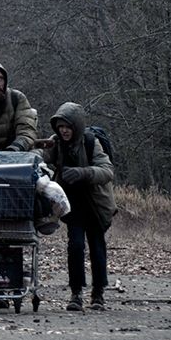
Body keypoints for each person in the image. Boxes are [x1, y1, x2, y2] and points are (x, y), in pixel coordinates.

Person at [39, 102, 115, 311]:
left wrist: (83, 173)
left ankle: (98, 293)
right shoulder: (56, 143)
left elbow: (107, 171)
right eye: (60, 126)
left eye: (68, 126)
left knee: (97, 247)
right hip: (72, 204)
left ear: (77, 127)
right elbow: (42, 160)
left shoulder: (92, 142)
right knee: (75, 246)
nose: (64, 130)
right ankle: (76, 294)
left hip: (95, 204)